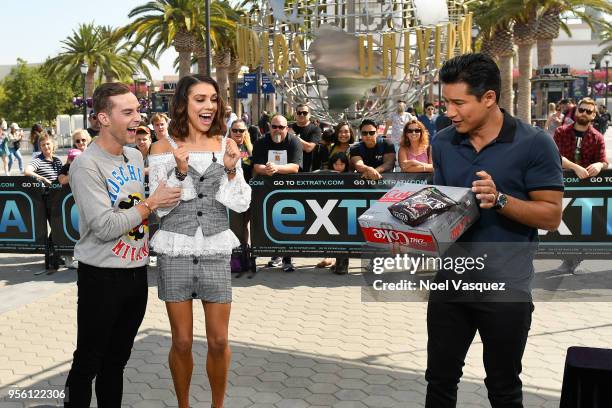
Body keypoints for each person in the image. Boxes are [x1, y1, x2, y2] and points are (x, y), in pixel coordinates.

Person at [425, 53, 563, 408]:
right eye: (446, 102)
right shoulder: (442, 142)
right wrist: (412, 231)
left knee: (503, 386)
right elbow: (445, 208)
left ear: (489, 98)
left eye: (459, 103)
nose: (450, 112)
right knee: (439, 381)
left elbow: (550, 215)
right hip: (451, 281)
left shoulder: (535, 143)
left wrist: (500, 199)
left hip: (506, 287)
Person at [63, 82, 182, 407]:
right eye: (127, 111)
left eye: (138, 110)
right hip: (100, 278)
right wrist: (151, 204)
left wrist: (178, 182)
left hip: (135, 275)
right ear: (103, 118)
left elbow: (141, 212)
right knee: (88, 362)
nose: (137, 117)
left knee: (116, 362)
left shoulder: (133, 155)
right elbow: (103, 226)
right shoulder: (86, 165)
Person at [148, 74, 251, 408]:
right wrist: (178, 173)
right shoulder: (162, 148)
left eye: (213, 99)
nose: (209, 106)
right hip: (175, 248)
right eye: (200, 99)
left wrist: (233, 171)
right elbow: (159, 209)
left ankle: (217, 405)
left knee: (219, 341)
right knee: (181, 341)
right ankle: (184, 405)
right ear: (183, 103)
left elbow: (240, 203)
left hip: (214, 249)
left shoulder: (227, 145)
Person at [553, 97, 607, 275]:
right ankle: (568, 259)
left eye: (588, 111)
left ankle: (574, 259)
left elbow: (603, 160)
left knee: (582, 224)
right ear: (576, 111)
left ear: (593, 116)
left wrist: (599, 165)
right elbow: (554, 157)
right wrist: (575, 167)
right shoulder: (561, 132)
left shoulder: (597, 137)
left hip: (586, 189)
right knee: (564, 223)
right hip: (562, 184)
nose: (583, 113)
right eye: (581, 110)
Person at [252, 114, 302, 273]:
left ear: (287, 128)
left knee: (288, 222)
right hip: (267, 189)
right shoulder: (261, 142)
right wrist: (266, 169)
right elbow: (256, 166)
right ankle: (275, 255)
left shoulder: (294, 141)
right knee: (271, 222)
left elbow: (295, 167)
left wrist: (275, 168)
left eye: (281, 127)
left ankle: (288, 258)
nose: (277, 130)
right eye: (274, 127)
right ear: (269, 127)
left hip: (289, 189)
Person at [228, 119, 256, 273]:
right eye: (235, 130)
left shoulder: (251, 149)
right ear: (230, 131)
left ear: (246, 132)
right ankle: (237, 259)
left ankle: (247, 256)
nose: (238, 133)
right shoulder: (225, 148)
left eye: (241, 130)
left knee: (247, 226)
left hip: (250, 193)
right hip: (233, 195)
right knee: (236, 227)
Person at [290, 103, 322, 172]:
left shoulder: (315, 129)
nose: (301, 115)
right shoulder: (289, 128)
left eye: (304, 113)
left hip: (307, 171)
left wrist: (293, 137)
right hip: (290, 169)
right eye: (299, 113)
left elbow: (309, 148)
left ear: (309, 115)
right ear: (295, 114)